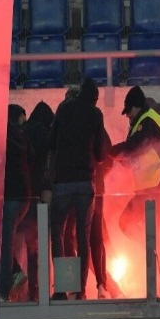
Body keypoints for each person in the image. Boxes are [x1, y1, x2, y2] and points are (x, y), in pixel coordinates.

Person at [47, 78, 111, 300]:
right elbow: (102, 152)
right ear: (94, 99)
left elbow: (52, 143)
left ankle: (60, 290)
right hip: (85, 181)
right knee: (83, 236)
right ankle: (80, 290)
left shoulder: (63, 109)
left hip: (63, 180)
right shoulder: (95, 114)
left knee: (58, 234)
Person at [110, 85, 160, 241]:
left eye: (129, 112)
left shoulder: (147, 122)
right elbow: (141, 154)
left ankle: (153, 256)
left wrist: (107, 152)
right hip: (153, 186)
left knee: (129, 223)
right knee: (139, 226)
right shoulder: (144, 121)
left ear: (137, 107)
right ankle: (151, 256)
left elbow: (133, 147)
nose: (127, 116)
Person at [19, 101, 54, 301]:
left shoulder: (23, 132)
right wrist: (46, 187)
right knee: (39, 244)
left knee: (28, 244)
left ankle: (30, 291)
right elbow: (46, 165)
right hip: (38, 195)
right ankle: (40, 291)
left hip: (24, 195)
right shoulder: (44, 134)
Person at [0, 104, 30, 302]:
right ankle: (16, 272)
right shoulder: (21, 138)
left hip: (11, 196)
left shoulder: (5, 138)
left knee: (4, 243)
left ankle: (3, 292)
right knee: (7, 242)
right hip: (24, 196)